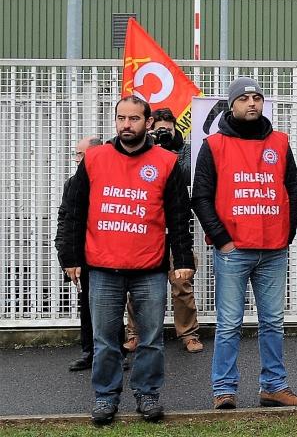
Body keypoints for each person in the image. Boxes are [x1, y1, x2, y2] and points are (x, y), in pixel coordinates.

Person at [55, 96, 194, 425]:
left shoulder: (166, 162)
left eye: (133, 119)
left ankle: (147, 393)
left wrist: (183, 258)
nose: (126, 124)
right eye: (121, 118)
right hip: (102, 268)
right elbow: (74, 212)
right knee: (105, 340)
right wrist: (70, 257)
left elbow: (178, 216)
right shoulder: (93, 160)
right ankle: (105, 397)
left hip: (149, 269)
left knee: (151, 339)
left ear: (148, 123)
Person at [192, 77, 297, 409]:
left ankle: (274, 386)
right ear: (232, 105)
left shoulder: (280, 143)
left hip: (273, 249)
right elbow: (201, 198)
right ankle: (223, 389)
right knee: (229, 323)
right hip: (234, 250)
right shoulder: (214, 145)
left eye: (257, 97)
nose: (252, 104)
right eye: (244, 99)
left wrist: (289, 233)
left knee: (273, 321)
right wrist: (223, 240)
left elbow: (293, 189)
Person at [123, 108, 204, 355]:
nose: (164, 132)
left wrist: (169, 153)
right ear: (150, 128)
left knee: (182, 283)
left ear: (175, 128)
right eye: (159, 129)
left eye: (168, 129)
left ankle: (189, 334)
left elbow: (189, 177)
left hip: (176, 228)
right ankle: (135, 333)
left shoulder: (186, 151)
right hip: (145, 228)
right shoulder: (141, 151)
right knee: (136, 286)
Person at [61, 135, 103, 372]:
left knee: (109, 304)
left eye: (81, 154)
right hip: (83, 252)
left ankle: (114, 352)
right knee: (85, 303)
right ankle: (89, 352)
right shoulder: (73, 183)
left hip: (104, 251)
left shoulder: (107, 179)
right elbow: (66, 218)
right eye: (77, 154)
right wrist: (68, 256)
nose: (77, 159)